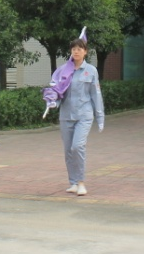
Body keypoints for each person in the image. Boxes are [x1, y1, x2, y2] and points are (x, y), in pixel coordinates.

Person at [53, 37, 105, 196]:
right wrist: (53, 101)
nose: (76, 51)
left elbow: (96, 94)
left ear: (85, 52)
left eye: (79, 49)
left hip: (84, 114)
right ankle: (73, 182)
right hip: (66, 115)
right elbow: (58, 92)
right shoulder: (63, 70)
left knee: (77, 146)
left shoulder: (91, 70)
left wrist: (100, 117)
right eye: (74, 49)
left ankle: (81, 182)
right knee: (68, 150)